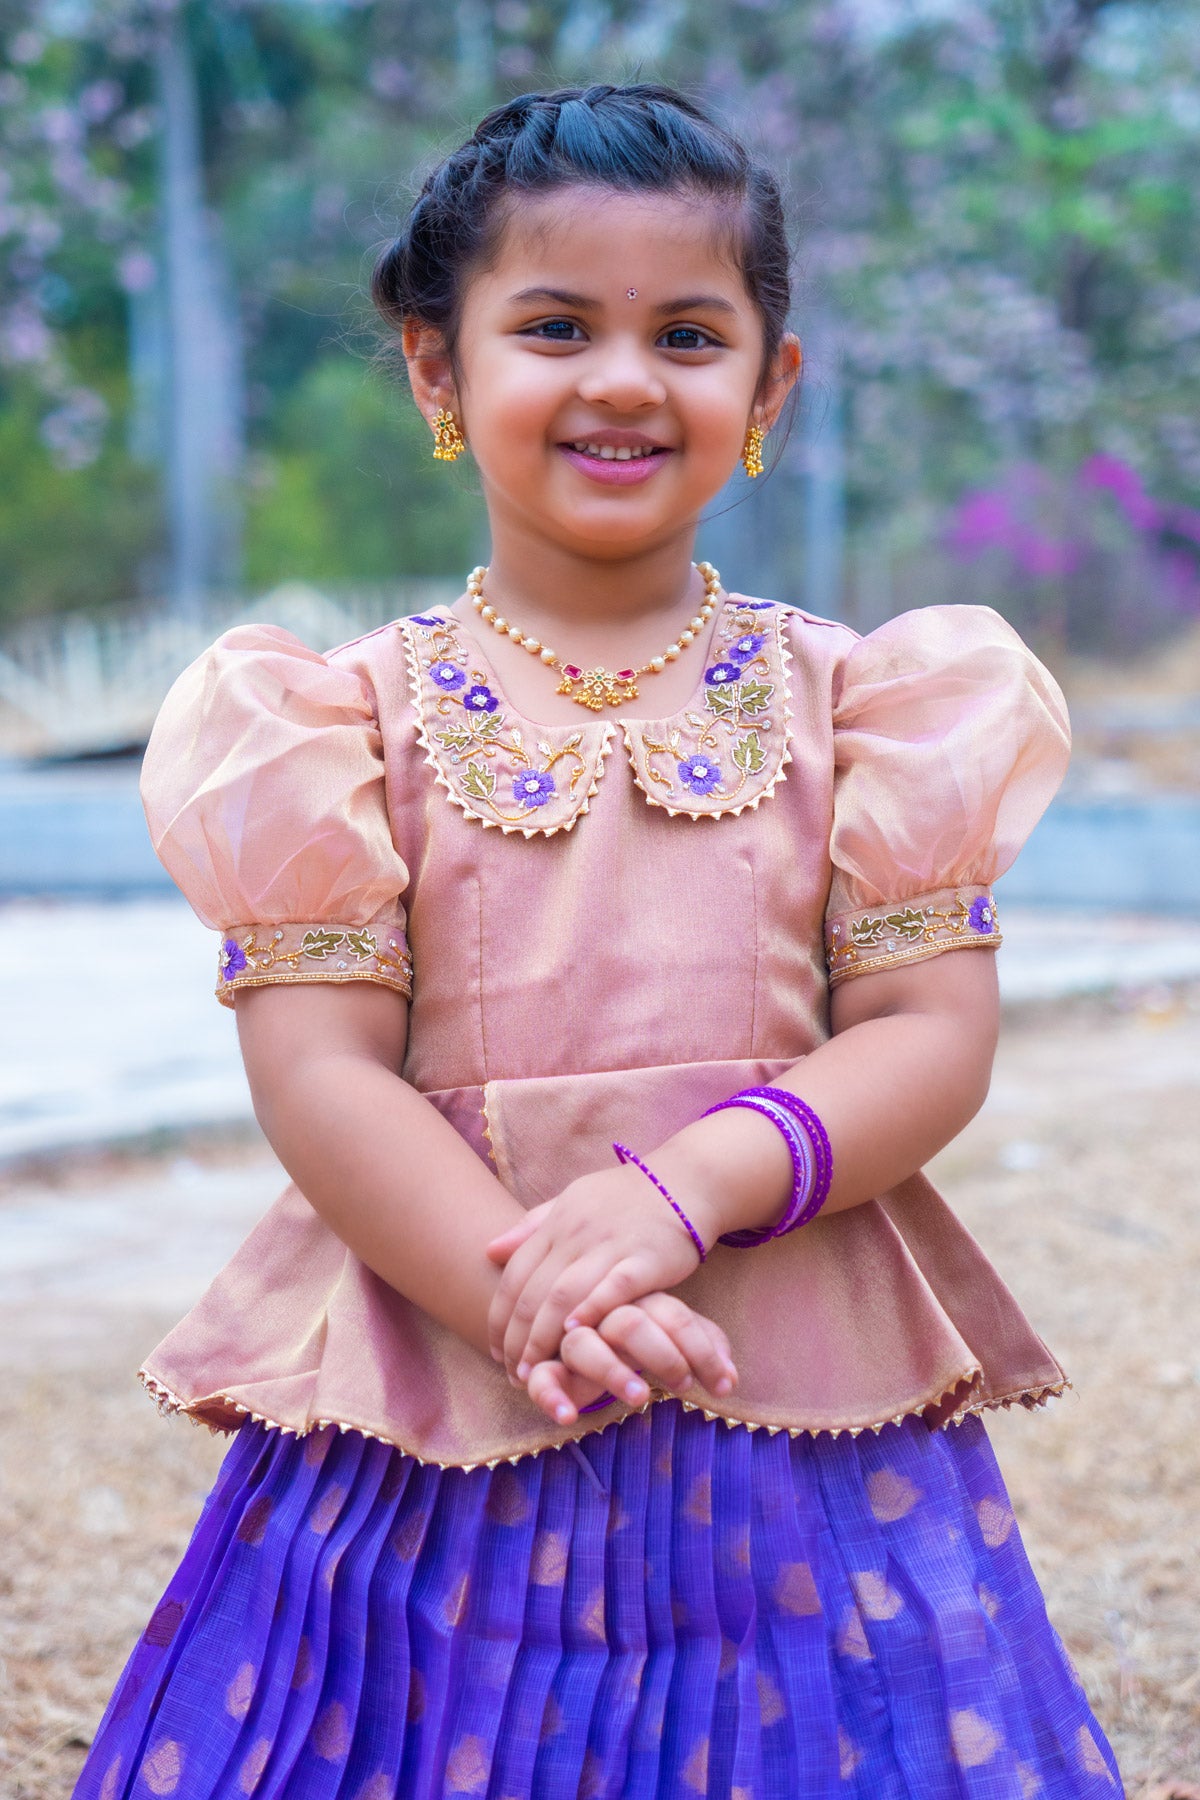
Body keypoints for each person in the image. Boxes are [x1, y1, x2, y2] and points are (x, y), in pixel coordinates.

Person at [74, 83, 1123, 1800]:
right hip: (442, 1383)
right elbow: (320, 1076)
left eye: (690, 333)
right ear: (436, 367)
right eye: (554, 326)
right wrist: (527, 1296)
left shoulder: (872, 708)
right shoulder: (332, 725)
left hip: (786, 1371)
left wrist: (674, 1194)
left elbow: (931, 1035)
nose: (625, 379)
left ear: (768, 387)